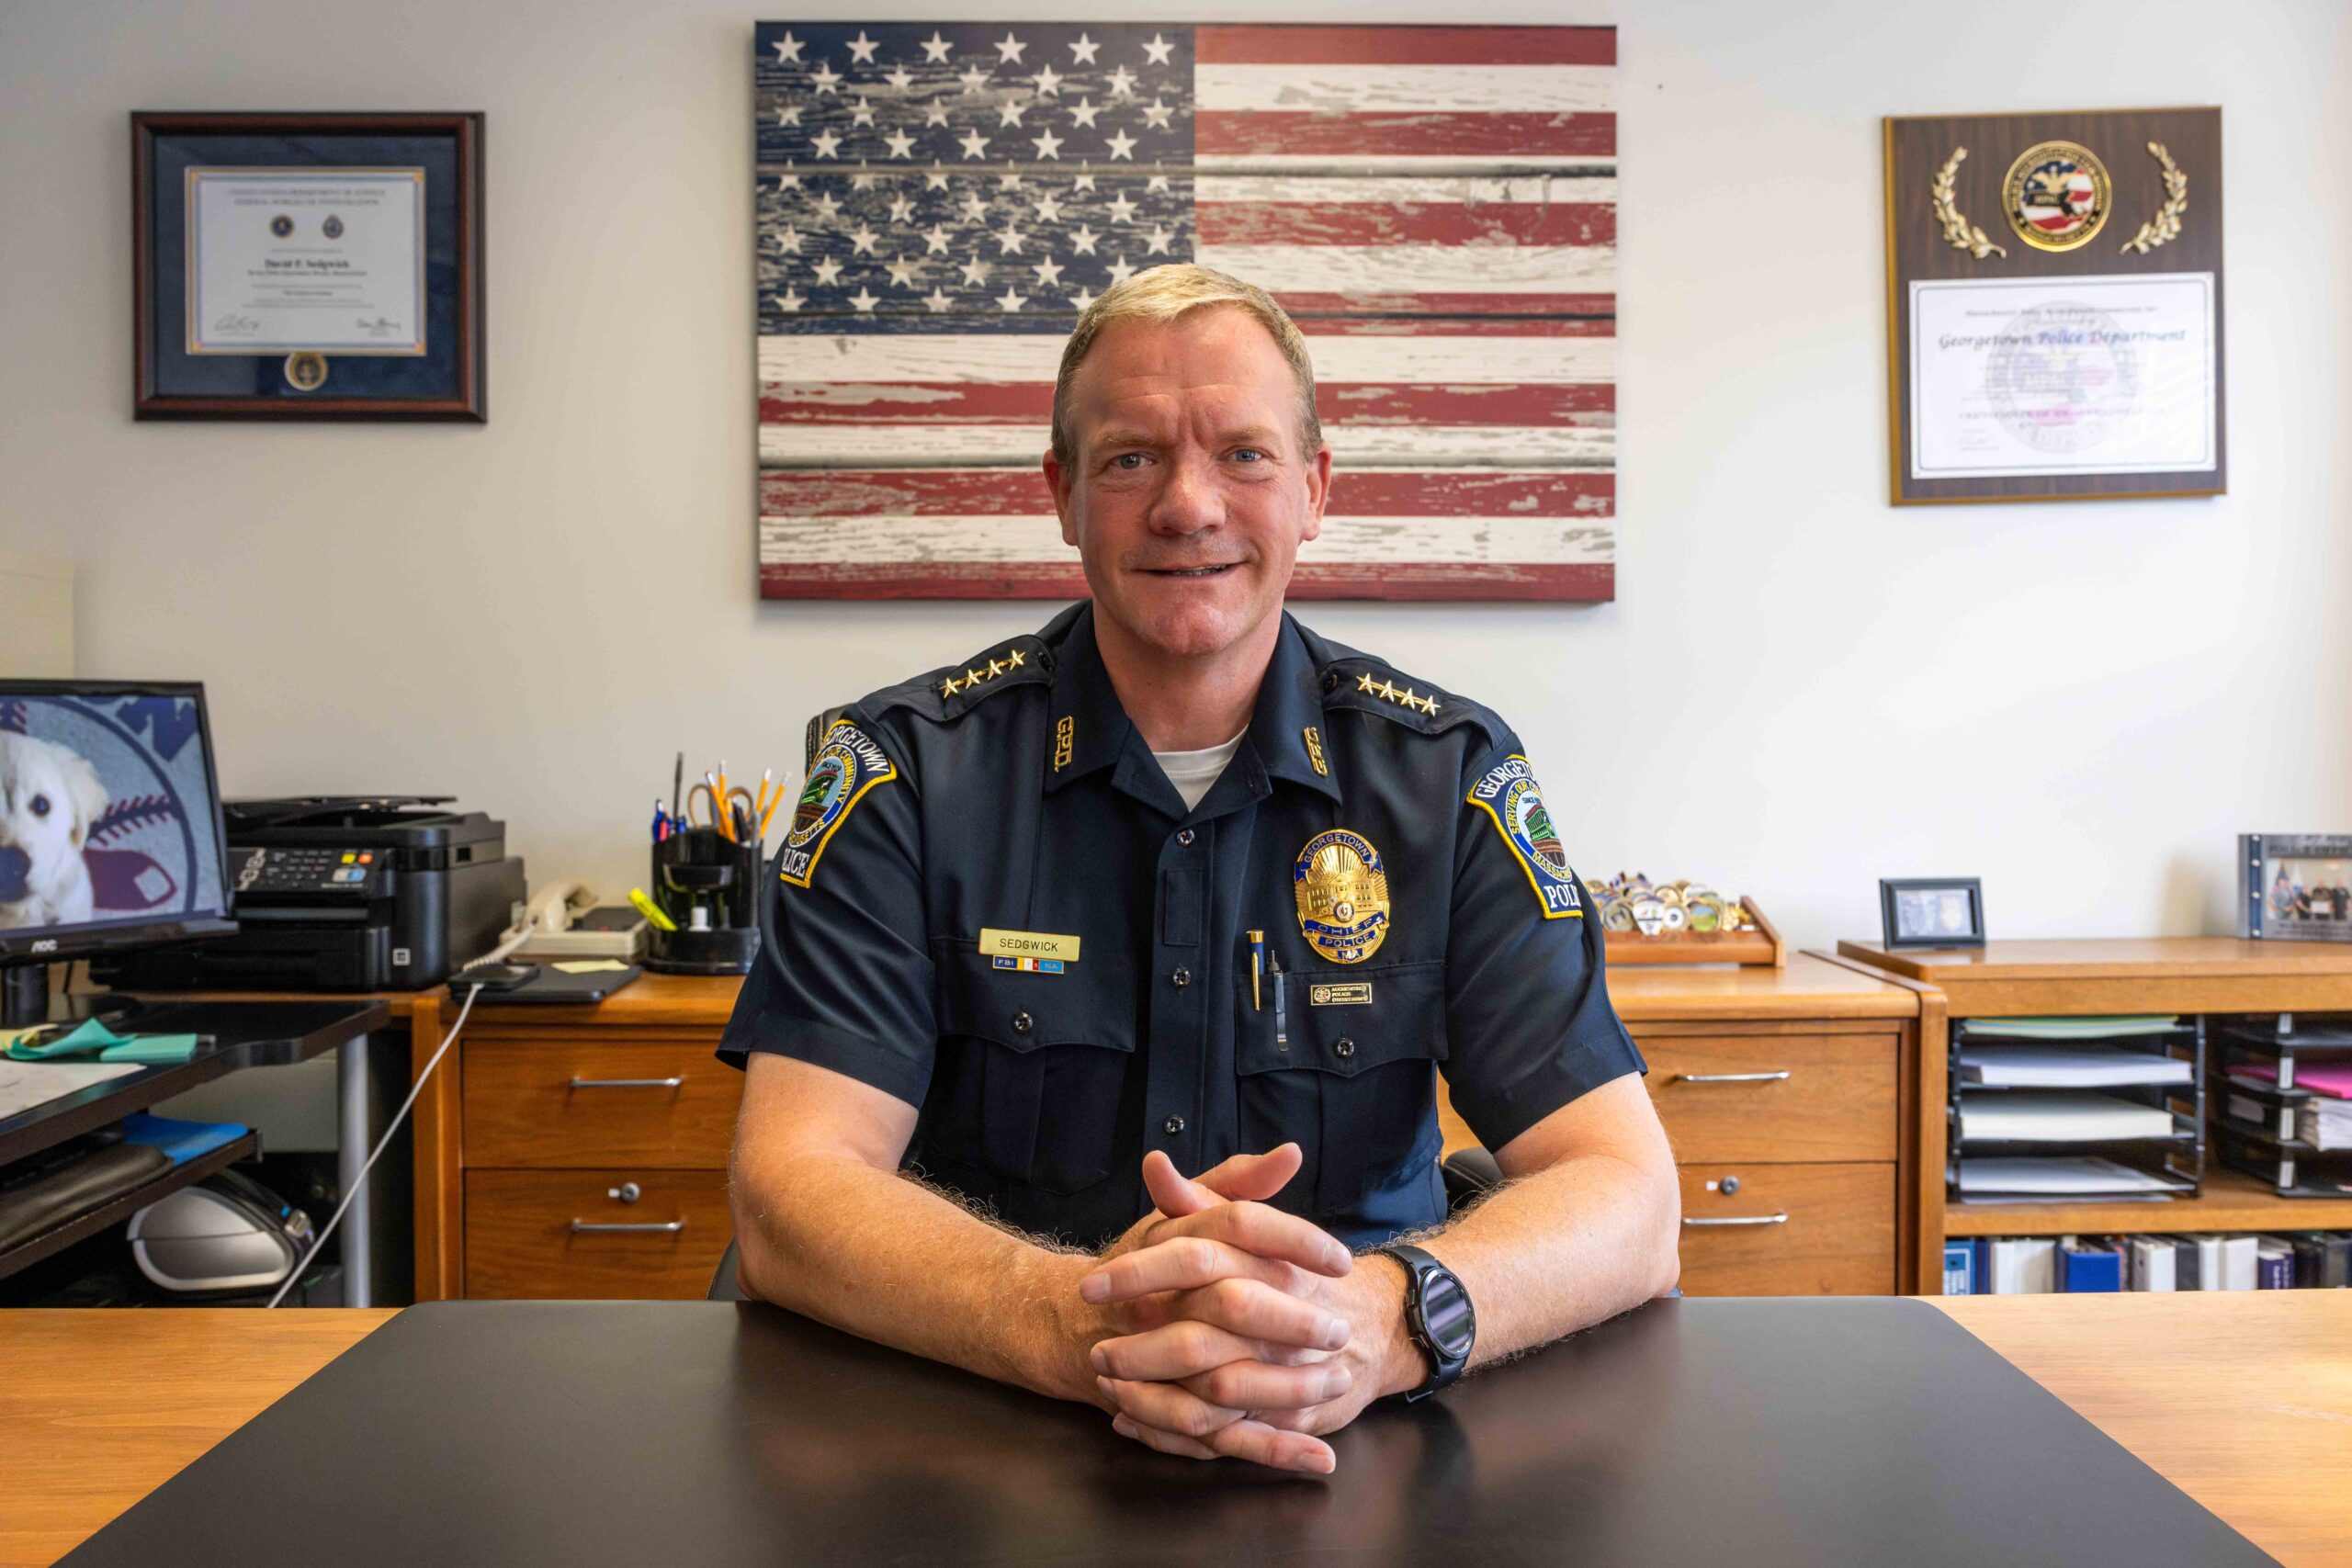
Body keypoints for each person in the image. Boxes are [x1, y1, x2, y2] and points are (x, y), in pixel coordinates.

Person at [720, 265, 1679, 1475]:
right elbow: (789, 1191)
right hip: (974, 1444)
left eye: (1244, 454)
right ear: (1062, 495)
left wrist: (1385, 1319)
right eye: (1129, 459)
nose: (1187, 505)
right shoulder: (902, 776)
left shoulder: (1447, 777)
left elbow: (1630, 1197)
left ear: (1315, 490)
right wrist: (1073, 1322)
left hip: (1359, 1435)